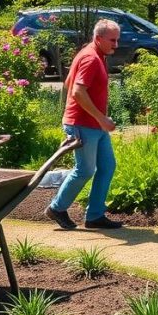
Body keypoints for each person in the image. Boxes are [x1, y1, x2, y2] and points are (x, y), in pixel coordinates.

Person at [45, 19, 125, 230]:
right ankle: (56, 208)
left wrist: (99, 120)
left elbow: (68, 82)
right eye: (112, 40)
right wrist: (101, 118)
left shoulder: (93, 53)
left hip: (94, 125)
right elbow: (77, 91)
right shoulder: (90, 57)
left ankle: (95, 216)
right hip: (83, 124)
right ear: (98, 38)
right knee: (85, 170)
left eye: (117, 39)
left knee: (107, 167)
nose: (116, 45)